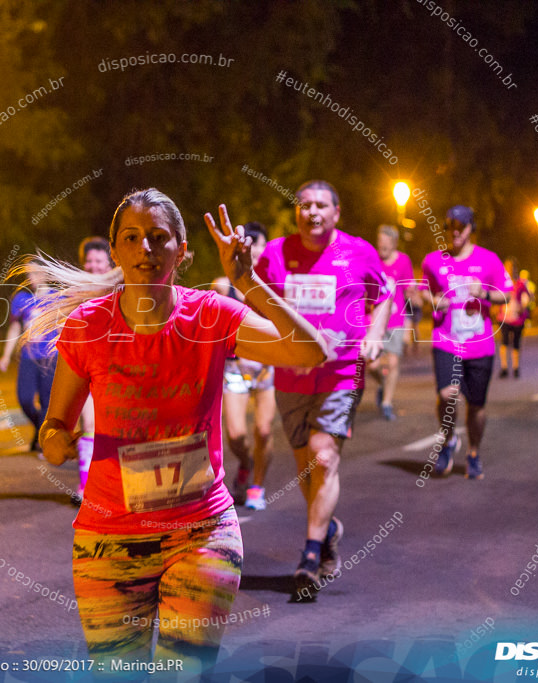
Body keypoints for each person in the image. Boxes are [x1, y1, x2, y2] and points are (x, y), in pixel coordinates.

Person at [32, 189, 327, 671]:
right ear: (117, 250)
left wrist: (248, 281)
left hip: (200, 534)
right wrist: (56, 441)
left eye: (158, 237)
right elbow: (54, 428)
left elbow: (309, 352)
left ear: (182, 250)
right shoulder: (87, 326)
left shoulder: (211, 315)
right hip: (109, 541)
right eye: (132, 237)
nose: (145, 248)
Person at [254, 180, 391, 598]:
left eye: (320, 206)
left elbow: (383, 294)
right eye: (304, 205)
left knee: (323, 455)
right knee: (306, 466)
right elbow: (254, 299)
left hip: (341, 372)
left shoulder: (358, 252)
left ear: (336, 212)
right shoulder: (276, 254)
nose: (312, 212)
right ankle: (328, 528)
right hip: (291, 373)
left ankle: (310, 557)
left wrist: (375, 334)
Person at [422, 206, 512, 480]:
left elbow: (506, 295)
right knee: (447, 395)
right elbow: (423, 290)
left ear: (471, 227)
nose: (455, 230)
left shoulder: (489, 260)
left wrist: (483, 292)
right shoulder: (433, 261)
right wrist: (433, 300)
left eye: (461, 225)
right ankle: (448, 440)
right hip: (446, 340)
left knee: (476, 406)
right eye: (450, 225)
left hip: (479, 344)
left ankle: (473, 452)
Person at [211, 222, 276, 509]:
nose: (253, 249)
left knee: (263, 430)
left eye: (258, 243)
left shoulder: (275, 284)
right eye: (247, 243)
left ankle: (257, 486)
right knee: (236, 434)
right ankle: (247, 463)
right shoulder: (223, 286)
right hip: (235, 369)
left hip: (266, 366)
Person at [72, 236, 114, 504]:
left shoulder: (121, 289)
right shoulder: (75, 290)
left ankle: (112, 482)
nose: (93, 265)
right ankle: (85, 486)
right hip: (84, 367)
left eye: (98, 260)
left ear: (109, 263)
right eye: (89, 260)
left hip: (116, 370)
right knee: (88, 424)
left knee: (112, 430)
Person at [0, 269, 57, 452]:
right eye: (29, 274)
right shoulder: (21, 299)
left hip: (51, 357)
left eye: (36, 273)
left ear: (45, 274)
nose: (32, 278)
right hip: (28, 357)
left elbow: (65, 326)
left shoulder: (57, 297)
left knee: (48, 401)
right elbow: (15, 328)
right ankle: (40, 430)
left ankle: (42, 441)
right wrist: (6, 355)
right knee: (24, 398)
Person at [367, 224, 414, 421]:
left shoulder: (403, 261)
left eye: (385, 245)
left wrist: (409, 325)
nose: (381, 248)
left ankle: (387, 403)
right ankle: (382, 384)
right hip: (374, 321)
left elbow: (410, 293)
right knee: (372, 365)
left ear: (394, 243)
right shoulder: (372, 260)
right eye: (379, 244)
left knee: (393, 362)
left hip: (396, 320)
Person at [497, 259, 530, 378]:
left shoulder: (520, 284)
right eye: (507, 267)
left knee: (516, 342)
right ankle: (504, 367)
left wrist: (523, 307)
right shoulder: (501, 282)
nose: (509, 270)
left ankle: (515, 368)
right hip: (504, 318)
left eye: (512, 267)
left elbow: (526, 297)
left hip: (517, 319)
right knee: (504, 342)